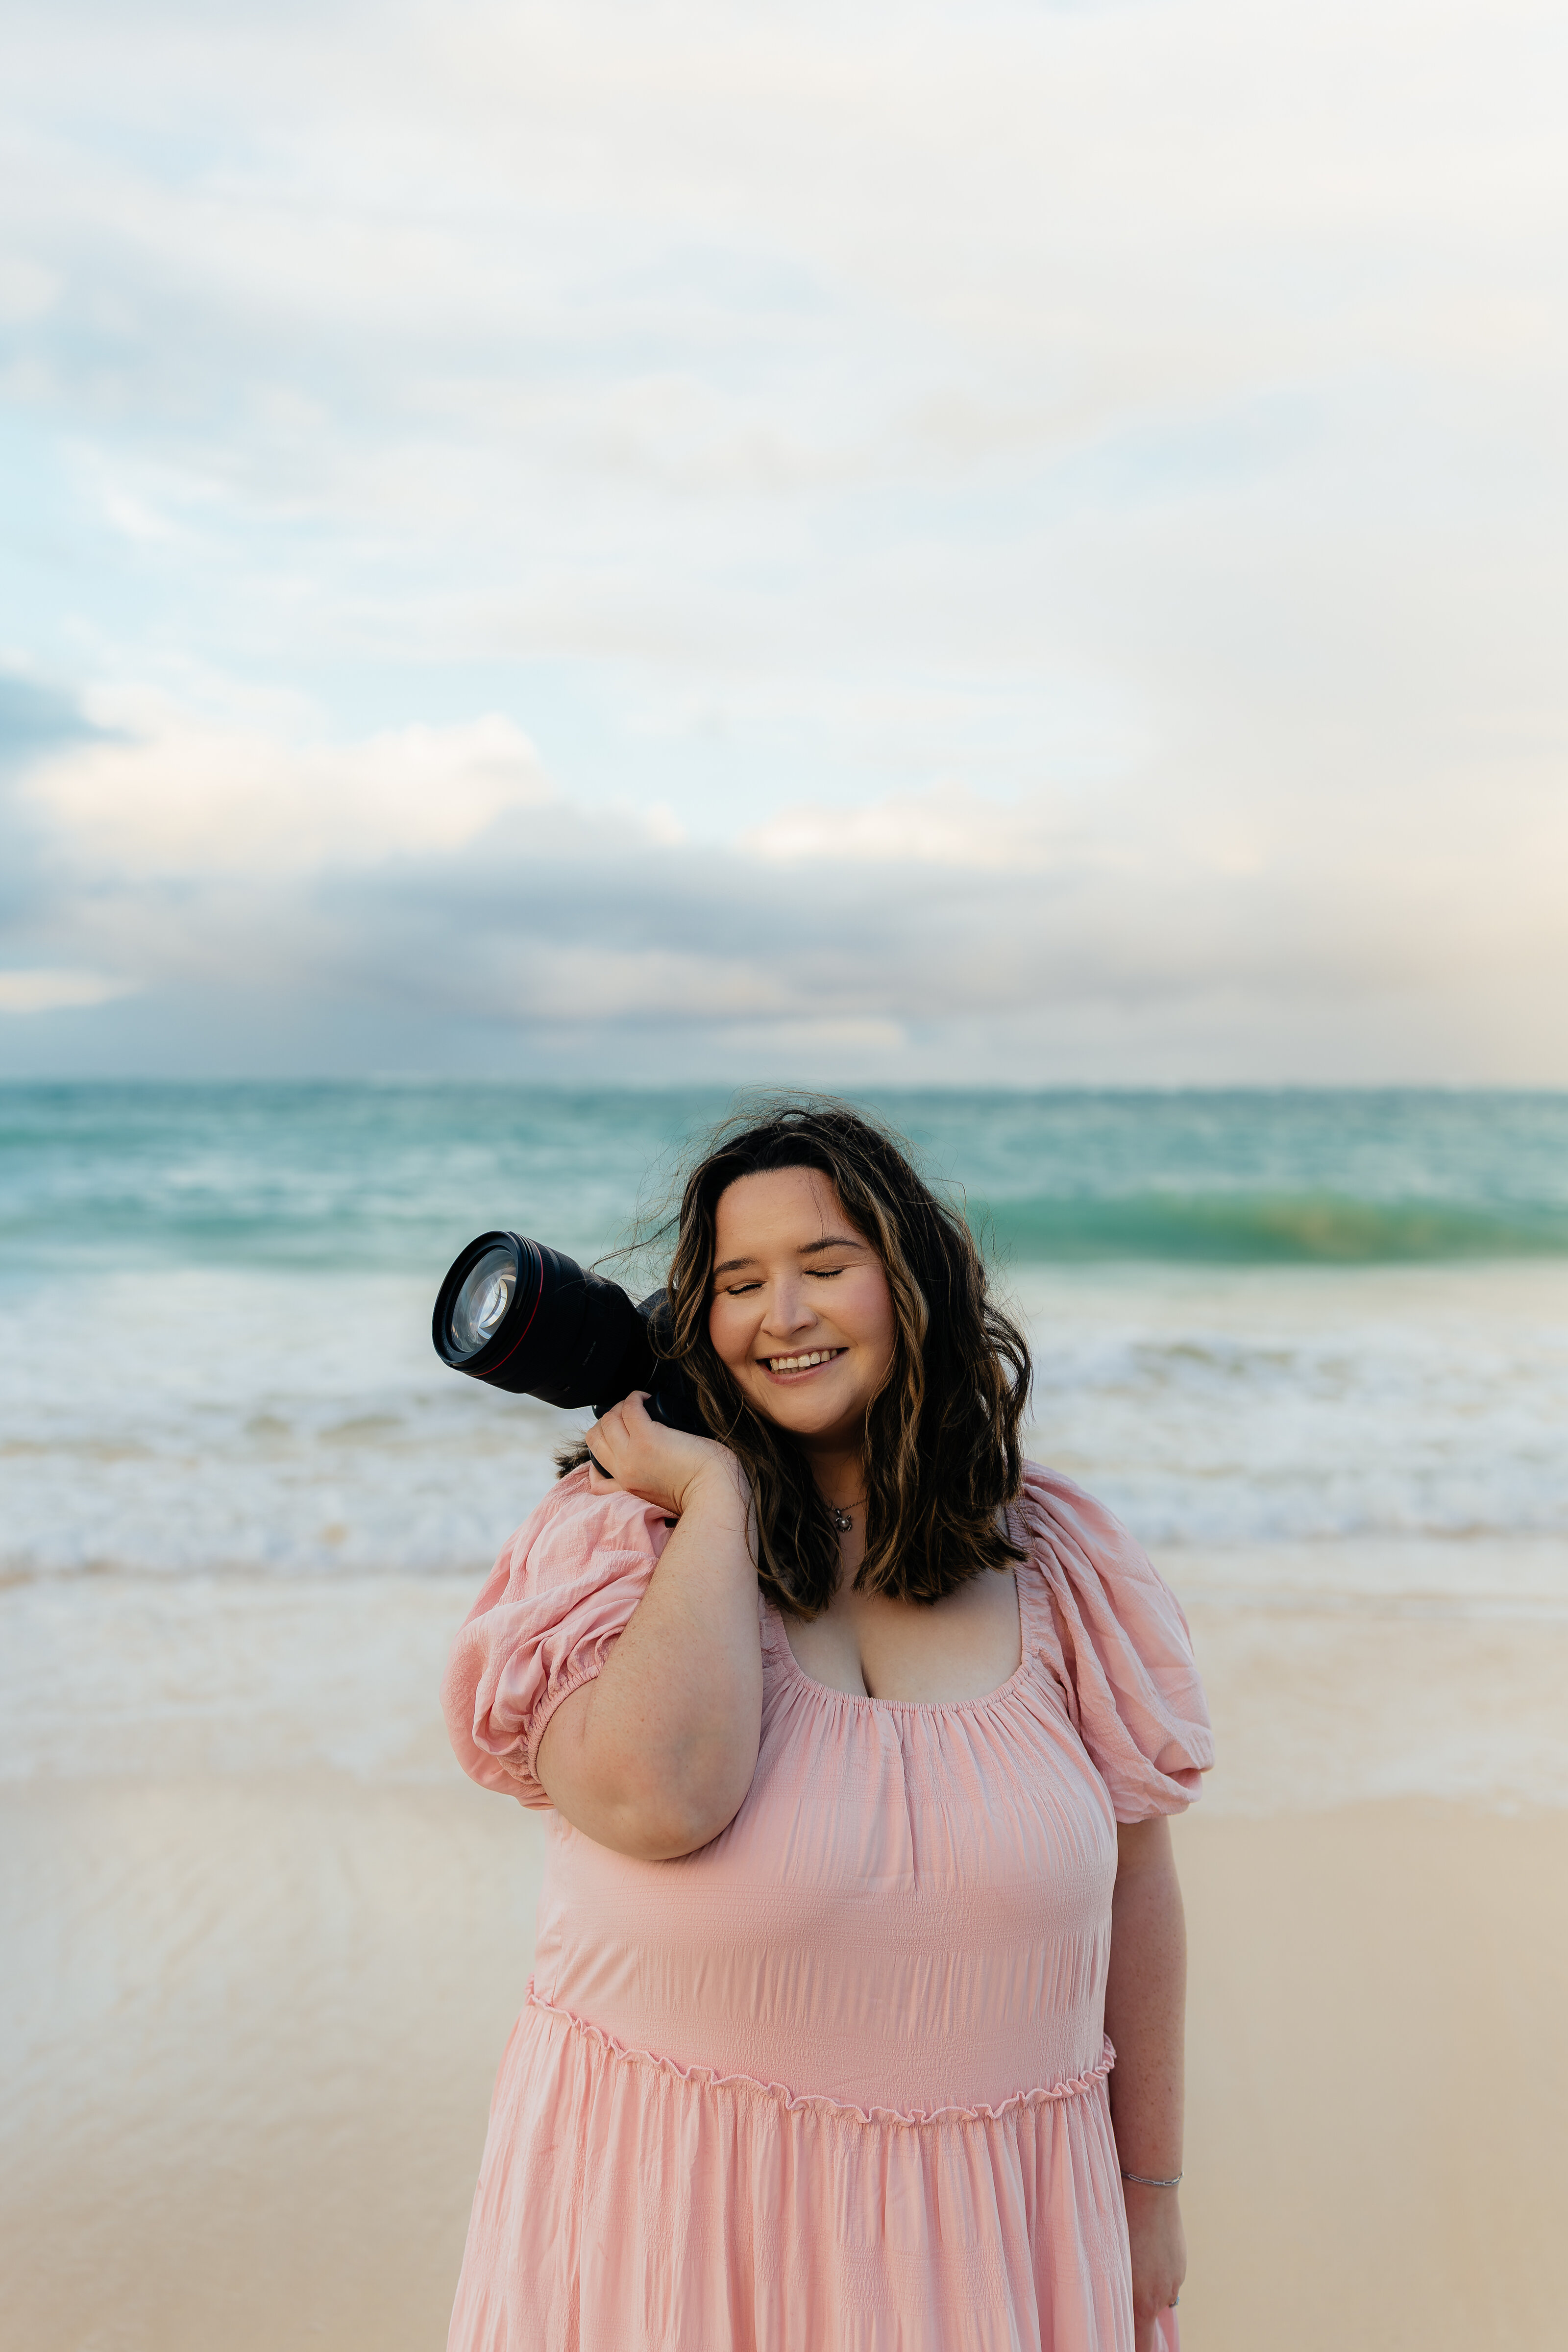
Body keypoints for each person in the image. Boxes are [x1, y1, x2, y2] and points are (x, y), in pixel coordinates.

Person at [442, 1102, 1212, 2352]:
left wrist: (1149, 2194)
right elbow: (658, 1798)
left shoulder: (1058, 1563)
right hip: (673, 2235)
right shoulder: (611, 1555)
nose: (781, 1316)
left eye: (824, 1266)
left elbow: (1138, 1887)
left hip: (1002, 2237)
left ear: (913, 1284)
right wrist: (714, 1496)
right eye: (740, 1283)